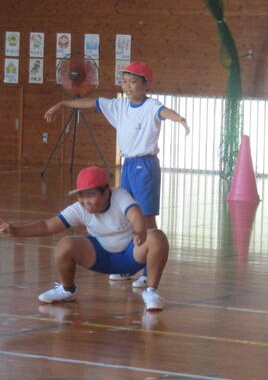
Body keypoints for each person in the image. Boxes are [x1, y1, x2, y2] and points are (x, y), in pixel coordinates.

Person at [44, 61, 189, 286]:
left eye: (133, 81)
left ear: (146, 85)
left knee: (146, 216)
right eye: (125, 81)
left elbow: (164, 112)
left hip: (145, 166)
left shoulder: (151, 106)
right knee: (126, 215)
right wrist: (63, 103)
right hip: (128, 164)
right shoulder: (119, 106)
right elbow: (91, 102)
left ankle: (147, 272)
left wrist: (180, 119)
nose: (128, 86)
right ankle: (128, 265)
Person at [0, 166, 169, 311]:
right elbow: (47, 226)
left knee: (157, 237)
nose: (84, 201)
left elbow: (135, 213)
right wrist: (15, 231)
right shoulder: (80, 208)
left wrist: (139, 230)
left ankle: (150, 292)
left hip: (131, 254)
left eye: (90, 195)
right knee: (65, 245)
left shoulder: (120, 196)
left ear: (106, 192)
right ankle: (67, 290)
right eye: (80, 195)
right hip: (101, 258)